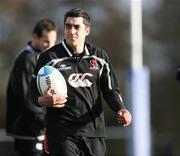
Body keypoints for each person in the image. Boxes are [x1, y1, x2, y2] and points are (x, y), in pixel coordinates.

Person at [30, 8, 132, 156]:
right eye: (68, 26)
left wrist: (121, 109)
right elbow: (32, 92)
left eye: (76, 27)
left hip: (94, 133)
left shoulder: (99, 57)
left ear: (87, 30)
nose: (72, 31)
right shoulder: (49, 58)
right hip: (61, 134)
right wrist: (42, 100)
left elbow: (110, 90)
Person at [6, 18, 58, 156]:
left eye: (53, 41)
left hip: (41, 131)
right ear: (35, 37)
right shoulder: (26, 59)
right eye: (46, 41)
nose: (50, 45)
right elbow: (26, 98)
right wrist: (48, 120)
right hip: (29, 132)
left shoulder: (44, 58)